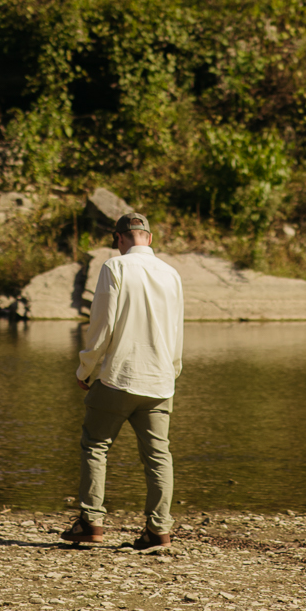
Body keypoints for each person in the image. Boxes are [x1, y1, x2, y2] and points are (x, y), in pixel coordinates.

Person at [61, 212, 185, 551]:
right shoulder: (171, 274)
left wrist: (86, 369)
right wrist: (172, 371)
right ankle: (159, 530)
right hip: (160, 380)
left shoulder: (114, 268)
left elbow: (101, 326)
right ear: (149, 237)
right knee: (159, 456)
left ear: (119, 239)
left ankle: (91, 522)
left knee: (95, 446)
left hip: (119, 377)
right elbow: (177, 331)